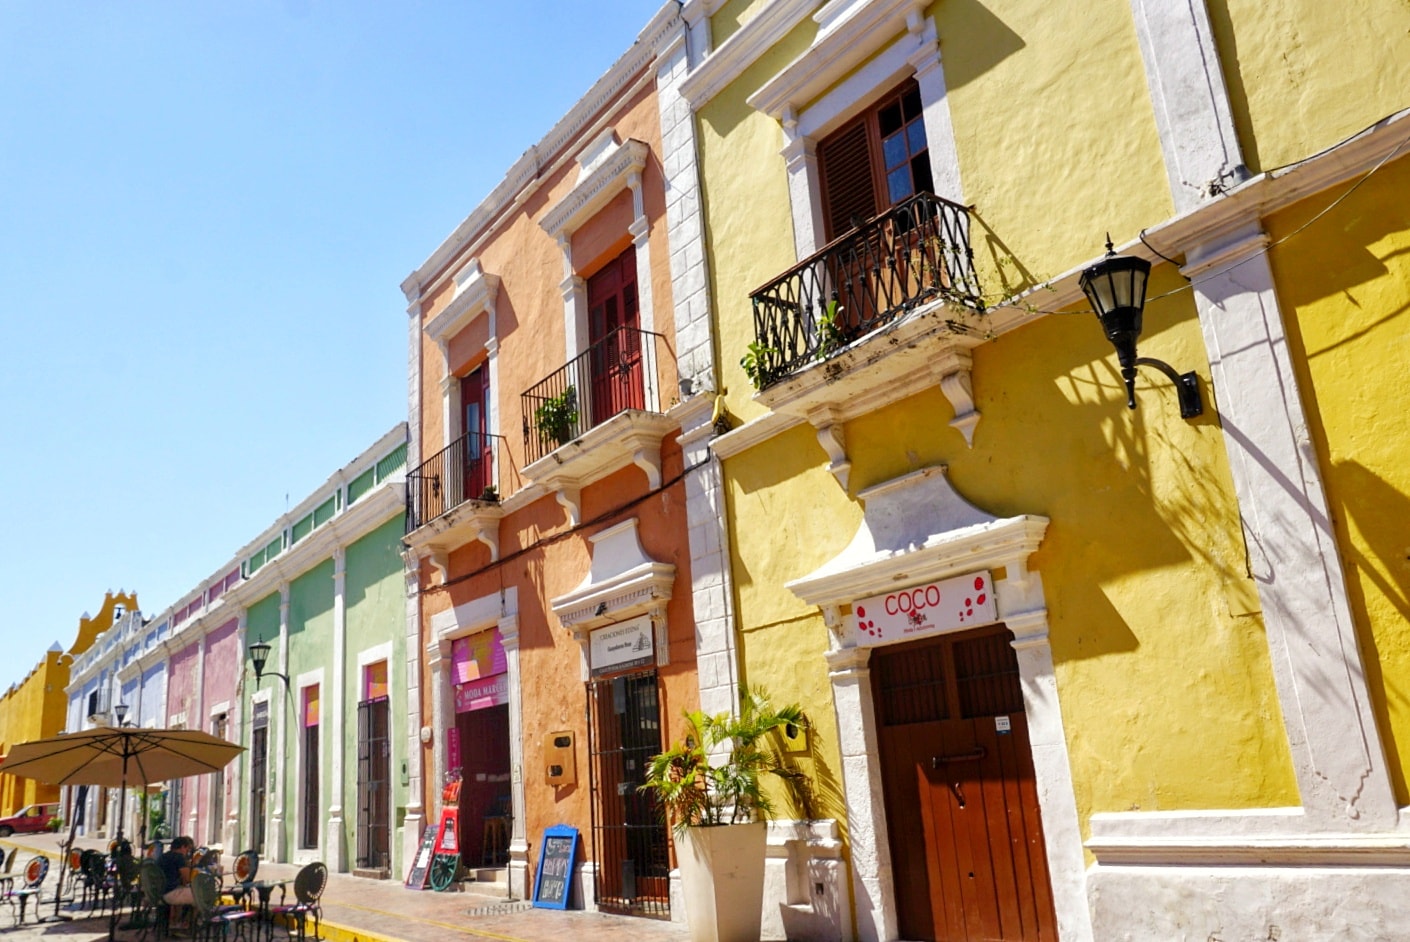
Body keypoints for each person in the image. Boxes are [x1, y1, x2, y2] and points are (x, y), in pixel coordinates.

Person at [158, 835, 196, 909]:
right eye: (187, 849)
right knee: (200, 896)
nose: (187, 852)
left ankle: (176, 918)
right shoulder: (179, 858)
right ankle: (190, 919)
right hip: (170, 893)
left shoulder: (163, 857)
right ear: (182, 847)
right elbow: (187, 879)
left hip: (158, 892)